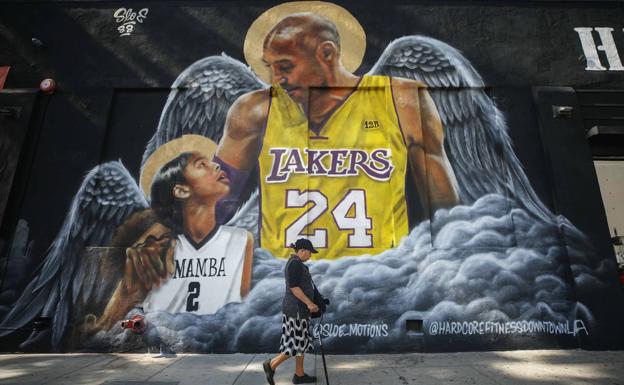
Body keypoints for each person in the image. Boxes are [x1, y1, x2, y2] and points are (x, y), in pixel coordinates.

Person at [215, 12, 459, 260]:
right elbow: (212, 202)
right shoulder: (254, 111)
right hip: (284, 281)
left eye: (286, 66)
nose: (277, 79)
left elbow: (446, 214)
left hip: (379, 280)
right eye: (271, 67)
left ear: (327, 54)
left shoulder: (401, 99)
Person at [91, 151, 254, 330]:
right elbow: (111, 326)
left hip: (215, 342)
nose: (216, 165)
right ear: (181, 190)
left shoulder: (242, 239)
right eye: (201, 164)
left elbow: (241, 311)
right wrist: (135, 319)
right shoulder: (155, 246)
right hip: (163, 344)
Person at [263, 238, 319, 385]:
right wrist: (310, 303)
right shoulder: (295, 264)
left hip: (297, 310)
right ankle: (271, 365)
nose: (310, 256)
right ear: (302, 251)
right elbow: (294, 288)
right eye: (309, 252)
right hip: (296, 311)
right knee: (295, 344)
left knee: (301, 342)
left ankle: (299, 375)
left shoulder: (296, 264)